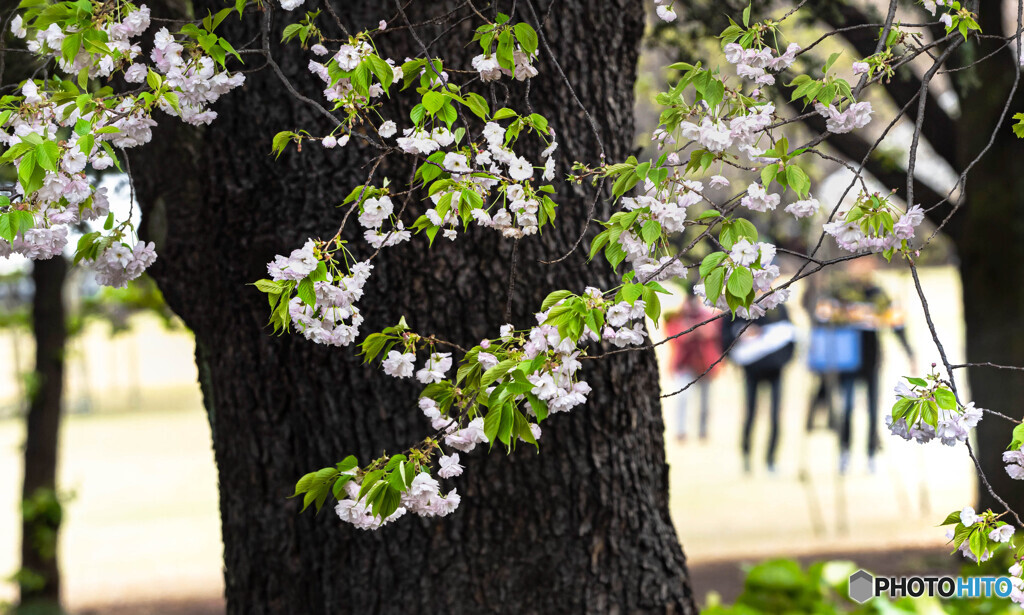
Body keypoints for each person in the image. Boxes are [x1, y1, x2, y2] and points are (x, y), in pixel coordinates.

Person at [808, 258, 914, 474]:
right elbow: (821, 315)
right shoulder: (839, 291)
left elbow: (896, 323)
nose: (863, 267)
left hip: (872, 359)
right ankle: (844, 453)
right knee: (846, 408)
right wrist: (843, 315)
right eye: (857, 263)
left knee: (873, 409)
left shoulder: (877, 292)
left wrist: (910, 353)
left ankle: (871, 455)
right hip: (847, 359)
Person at [722, 305, 796, 473]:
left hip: (775, 370)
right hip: (752, 370)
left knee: (775, 416)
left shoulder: (779, 306)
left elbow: (790, 335)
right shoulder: (740, 307)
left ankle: (771, 459)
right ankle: (746, 455)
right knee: (750, 414)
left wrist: (783, 361)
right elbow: (727, 335)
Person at [665, 296, 722, 442]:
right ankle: (681, 431)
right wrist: (693, 329)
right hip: (685, 364)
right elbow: (676, 336)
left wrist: (697, 328)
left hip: (705, 364)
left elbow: (714, 332)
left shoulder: (708, 316)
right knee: (682, 398)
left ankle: (703, 431)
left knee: (705, 402)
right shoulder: (677, 317)